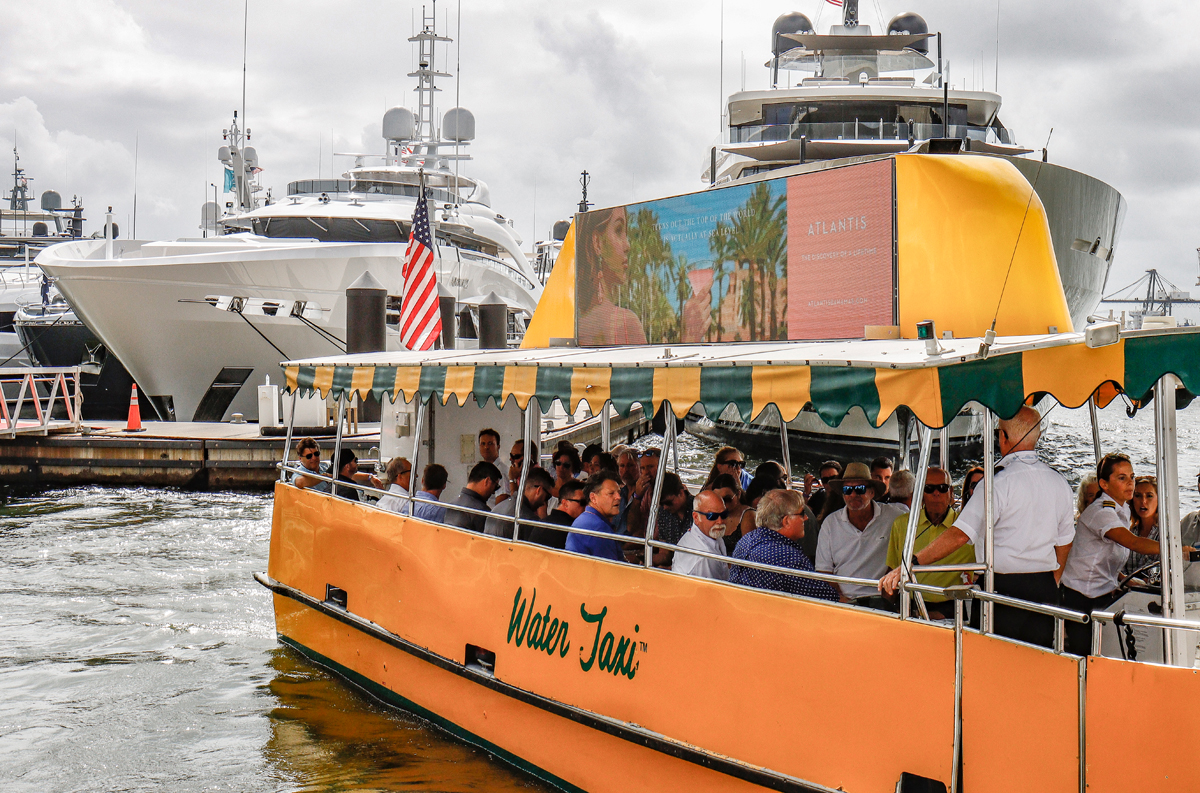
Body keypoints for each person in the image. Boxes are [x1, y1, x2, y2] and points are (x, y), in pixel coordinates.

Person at [880, 406, 1074, 648]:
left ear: (1003, 437)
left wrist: (911, 564)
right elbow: (1065, 541)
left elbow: (960, 534)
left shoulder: (996, 483)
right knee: (1038, 658)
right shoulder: (1059, 483)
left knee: (993, 661)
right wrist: (1052, 580)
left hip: (1002, 589)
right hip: (1044, 588)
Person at [1061, 455, 1194, 654]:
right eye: (1122, 478)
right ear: (1104, 484)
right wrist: (1175, 549)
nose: (1131, 483)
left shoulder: (1121, 510)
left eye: (1131, 477)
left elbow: (1100, 558)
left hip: (1103, 595)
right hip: (1081, 598)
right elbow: (1132, 543)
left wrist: (1123, 579)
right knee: (1087, 656)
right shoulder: (1101, 512)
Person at [884, 468, 976, 620]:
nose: (936, 493)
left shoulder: (965, 529)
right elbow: (893, 569)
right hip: (911, 605)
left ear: (951, 492)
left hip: (954, 608)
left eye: (942, 488)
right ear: (921, 494)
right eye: (929, 488)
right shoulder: (902, 524)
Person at [816, 462, 906, 606]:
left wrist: (887, 599)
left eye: (859, 489)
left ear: (872, 492)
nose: (853, 494)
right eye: (847, 490)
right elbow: (824, 572)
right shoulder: (830, 523)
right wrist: (842, 600)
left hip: (884, 599)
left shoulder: (895, 517)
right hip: (844, 601)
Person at [730, 489, 838, 601]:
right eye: (801, 514)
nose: (806, 518)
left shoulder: (745, 541)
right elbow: (827, 598)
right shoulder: (788, 557)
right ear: (786, 521)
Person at [575, 206, 647, 346]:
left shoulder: (577, 324)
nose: (628, 246)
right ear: (597, 243)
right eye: (618, 230)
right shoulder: (626, 323)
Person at [566, 472, 628, 562]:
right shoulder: (599, 528)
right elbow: (611, 571)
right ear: (593, 498)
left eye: (619, 492)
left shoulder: (584, 519)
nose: (618, 497)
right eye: (611, 493)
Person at [672, 491, 730, 581]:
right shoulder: (704, 557)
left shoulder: (708, 535)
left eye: (724, 514)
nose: (720, 521)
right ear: (696, 517)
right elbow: (712, 592)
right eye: (712, 516)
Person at [486, 468, 554, 540]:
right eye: (547, 497)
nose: (544, 502)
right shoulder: (529, 521)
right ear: (538, 490)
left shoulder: (497, 508)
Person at [445, 461, 502, 533]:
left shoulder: (451, 505)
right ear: (487, 481)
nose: (493, 492)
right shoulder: (482, 512)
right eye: (495, 486)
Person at [529, 480, 587, 549]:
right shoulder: (571, 529)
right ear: (565, 503)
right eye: (583, 503)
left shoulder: (541, 523)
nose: (586, 507)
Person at [649, 473, 692, 566]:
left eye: (668, 503)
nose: (664, 507)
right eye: (661, 504)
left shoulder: (699, 510)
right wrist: (649, 560)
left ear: (680, 493)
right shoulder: (663, 513)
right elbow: (664, 553)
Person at [710, 472, 756, 552]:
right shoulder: (713, 513)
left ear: (738, 494)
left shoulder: (748, 516)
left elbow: (748, 553)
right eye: (718, 499)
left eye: (727, 499)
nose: (723, 504)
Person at [478, 428, 507, 506]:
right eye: (483, 444)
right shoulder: (481, 470)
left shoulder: (501, 471)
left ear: (498, 446)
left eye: (490, 443)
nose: (486, 447)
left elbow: (501, 504)